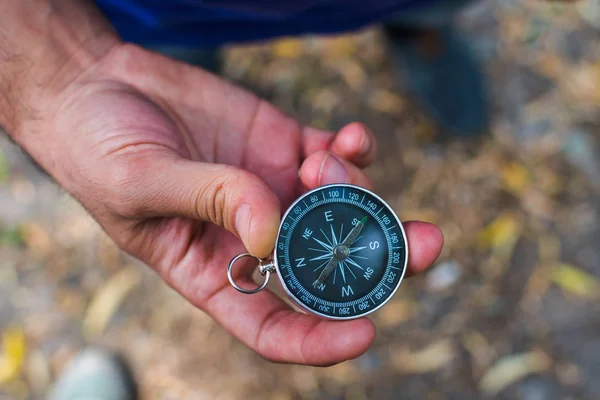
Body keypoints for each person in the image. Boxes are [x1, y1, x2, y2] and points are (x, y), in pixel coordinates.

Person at [1, 1, 452, 398]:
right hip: (151, 16)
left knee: (424, 6)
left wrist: (65, 79)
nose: (336, 252)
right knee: (177, 47)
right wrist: (60, 72)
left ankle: (419, 27)